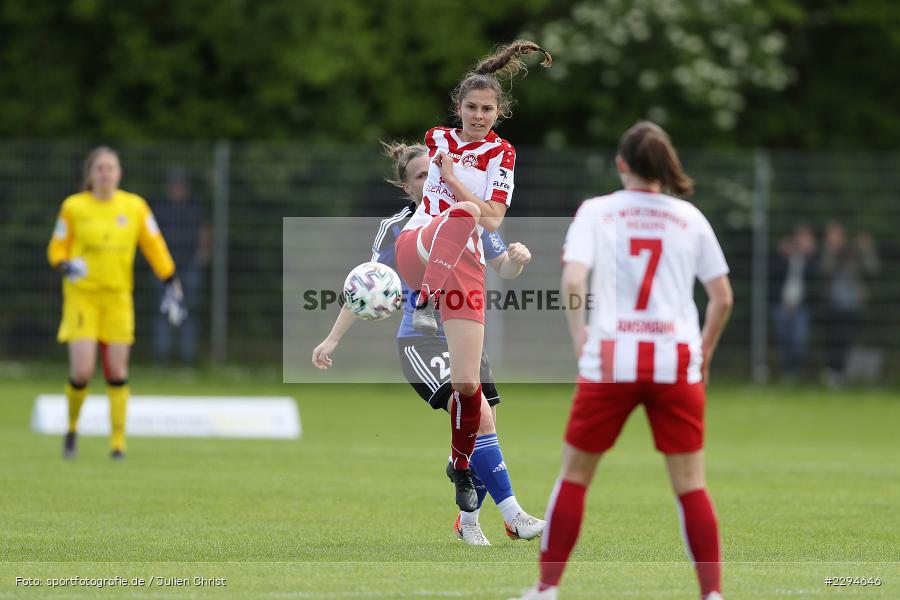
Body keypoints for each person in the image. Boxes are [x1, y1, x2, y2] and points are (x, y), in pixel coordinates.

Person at [513, 122, 733, 600]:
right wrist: (705, 354)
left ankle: (546, 589)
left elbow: (573, 282)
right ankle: (712, 594)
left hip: (610, 359)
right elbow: (722, 297)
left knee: (574, 476)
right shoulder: (688, 217)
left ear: (621, 164)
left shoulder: (597, 211)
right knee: (691, 484)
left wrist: (579, 339)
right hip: (675, 361)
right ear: (665, 165)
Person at [312, 141, 545, 545]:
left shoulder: (467, 217)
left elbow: (503, 268)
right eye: (420, 176)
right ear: (407, 187)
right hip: (421, 340)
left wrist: (517, 261)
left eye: (433, 171)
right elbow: (369, 284)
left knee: (481, 433)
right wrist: (332, 337)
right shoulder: (398, 227)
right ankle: (514, 515)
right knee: (479, 417)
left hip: (465, 333)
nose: (429, 180)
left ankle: (468, 522)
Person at [393, 40, 552, 514]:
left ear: (498, 113)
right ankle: (423, 306)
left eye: (487, 109)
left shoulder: (504, 154)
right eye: (471, 107)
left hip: (463, 265)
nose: (478, 115)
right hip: (422, 243)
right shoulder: (438, 138)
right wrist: (463, 198)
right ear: (457, 108)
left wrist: (458, 183)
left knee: (469, 387)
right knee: (461, 211)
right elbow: (466, 208)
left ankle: (460, 464)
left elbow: (494, 222)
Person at [48, 146, 186, 460]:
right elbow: (57, 247)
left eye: (111, 168)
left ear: (119, 173)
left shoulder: (135, 206)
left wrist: (170, 281)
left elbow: (154, 245)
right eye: (100, 168)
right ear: (90, 174)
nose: (106, 173)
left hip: (118, 298)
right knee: (83, 371)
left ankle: (118, 443)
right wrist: (65, 265)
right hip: (82, 296)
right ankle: (71, 428)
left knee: (116, 369)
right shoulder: (74, 207)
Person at [152, 168, 210, 365]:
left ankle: (188, 360)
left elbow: (204, 232)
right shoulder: (160, 209)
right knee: (163, 312)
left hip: (189, 266)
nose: (177, 189)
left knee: (189, 312)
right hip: (165, 270)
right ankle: (162, 360)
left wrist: (201, 256)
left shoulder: (194, 208)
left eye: (180, 186)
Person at [819, 221, 879, 386]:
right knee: (832, 339)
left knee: (846, 339)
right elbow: (825, 270)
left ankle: (842, 373)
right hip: (833, 305)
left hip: (853, 305)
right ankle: (834, 373)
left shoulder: (855, 253)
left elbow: (872, 270)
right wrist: (831, 249)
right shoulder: (830, 253)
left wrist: (866, 248)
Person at [771, 223, 817, 378]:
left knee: (799, 341)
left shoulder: (811, 259)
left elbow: (816, 277)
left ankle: (796, 371)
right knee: (783, 340)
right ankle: (787, 373)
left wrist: (810, 256)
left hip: (801, 306)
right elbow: (773, 274)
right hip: (782, 305)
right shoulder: (784, 256)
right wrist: (782, 255)